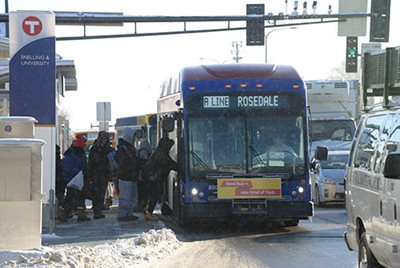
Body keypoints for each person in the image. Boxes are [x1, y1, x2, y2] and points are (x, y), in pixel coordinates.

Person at [141, 137, 178, 221]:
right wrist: (180, 166)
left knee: (153, 195)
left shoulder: (160, 152)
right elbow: (169, 163)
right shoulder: (161, 154)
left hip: (153, 177)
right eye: (169, 146)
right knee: (154, 195)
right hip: (154, 178)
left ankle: (148, 212)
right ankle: (149, 213)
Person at [58, 135, 91, 222]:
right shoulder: (73, 155)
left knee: (76, 197)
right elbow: (67, 168)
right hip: (73, 180)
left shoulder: (72, 154)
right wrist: (79, 171)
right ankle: (66, 214)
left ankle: (67, 214)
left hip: (75, 179)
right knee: (72, 197)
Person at [115, 128, 141, 222]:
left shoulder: (129, 147)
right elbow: (121, 161)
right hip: (126, 176)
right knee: (126, 196)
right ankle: (122, 215)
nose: (134, 138)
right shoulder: (124, 148)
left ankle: (129, 213)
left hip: (131, 176)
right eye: (133, 136)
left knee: (132, 197)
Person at [87, 131, 114, 219]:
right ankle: (97, 211)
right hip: (97, 173)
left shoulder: (99, 148)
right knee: (97, 192)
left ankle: (98, 210)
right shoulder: (96, 148)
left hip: (102, 173)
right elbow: (91, 161)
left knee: (101, 192)